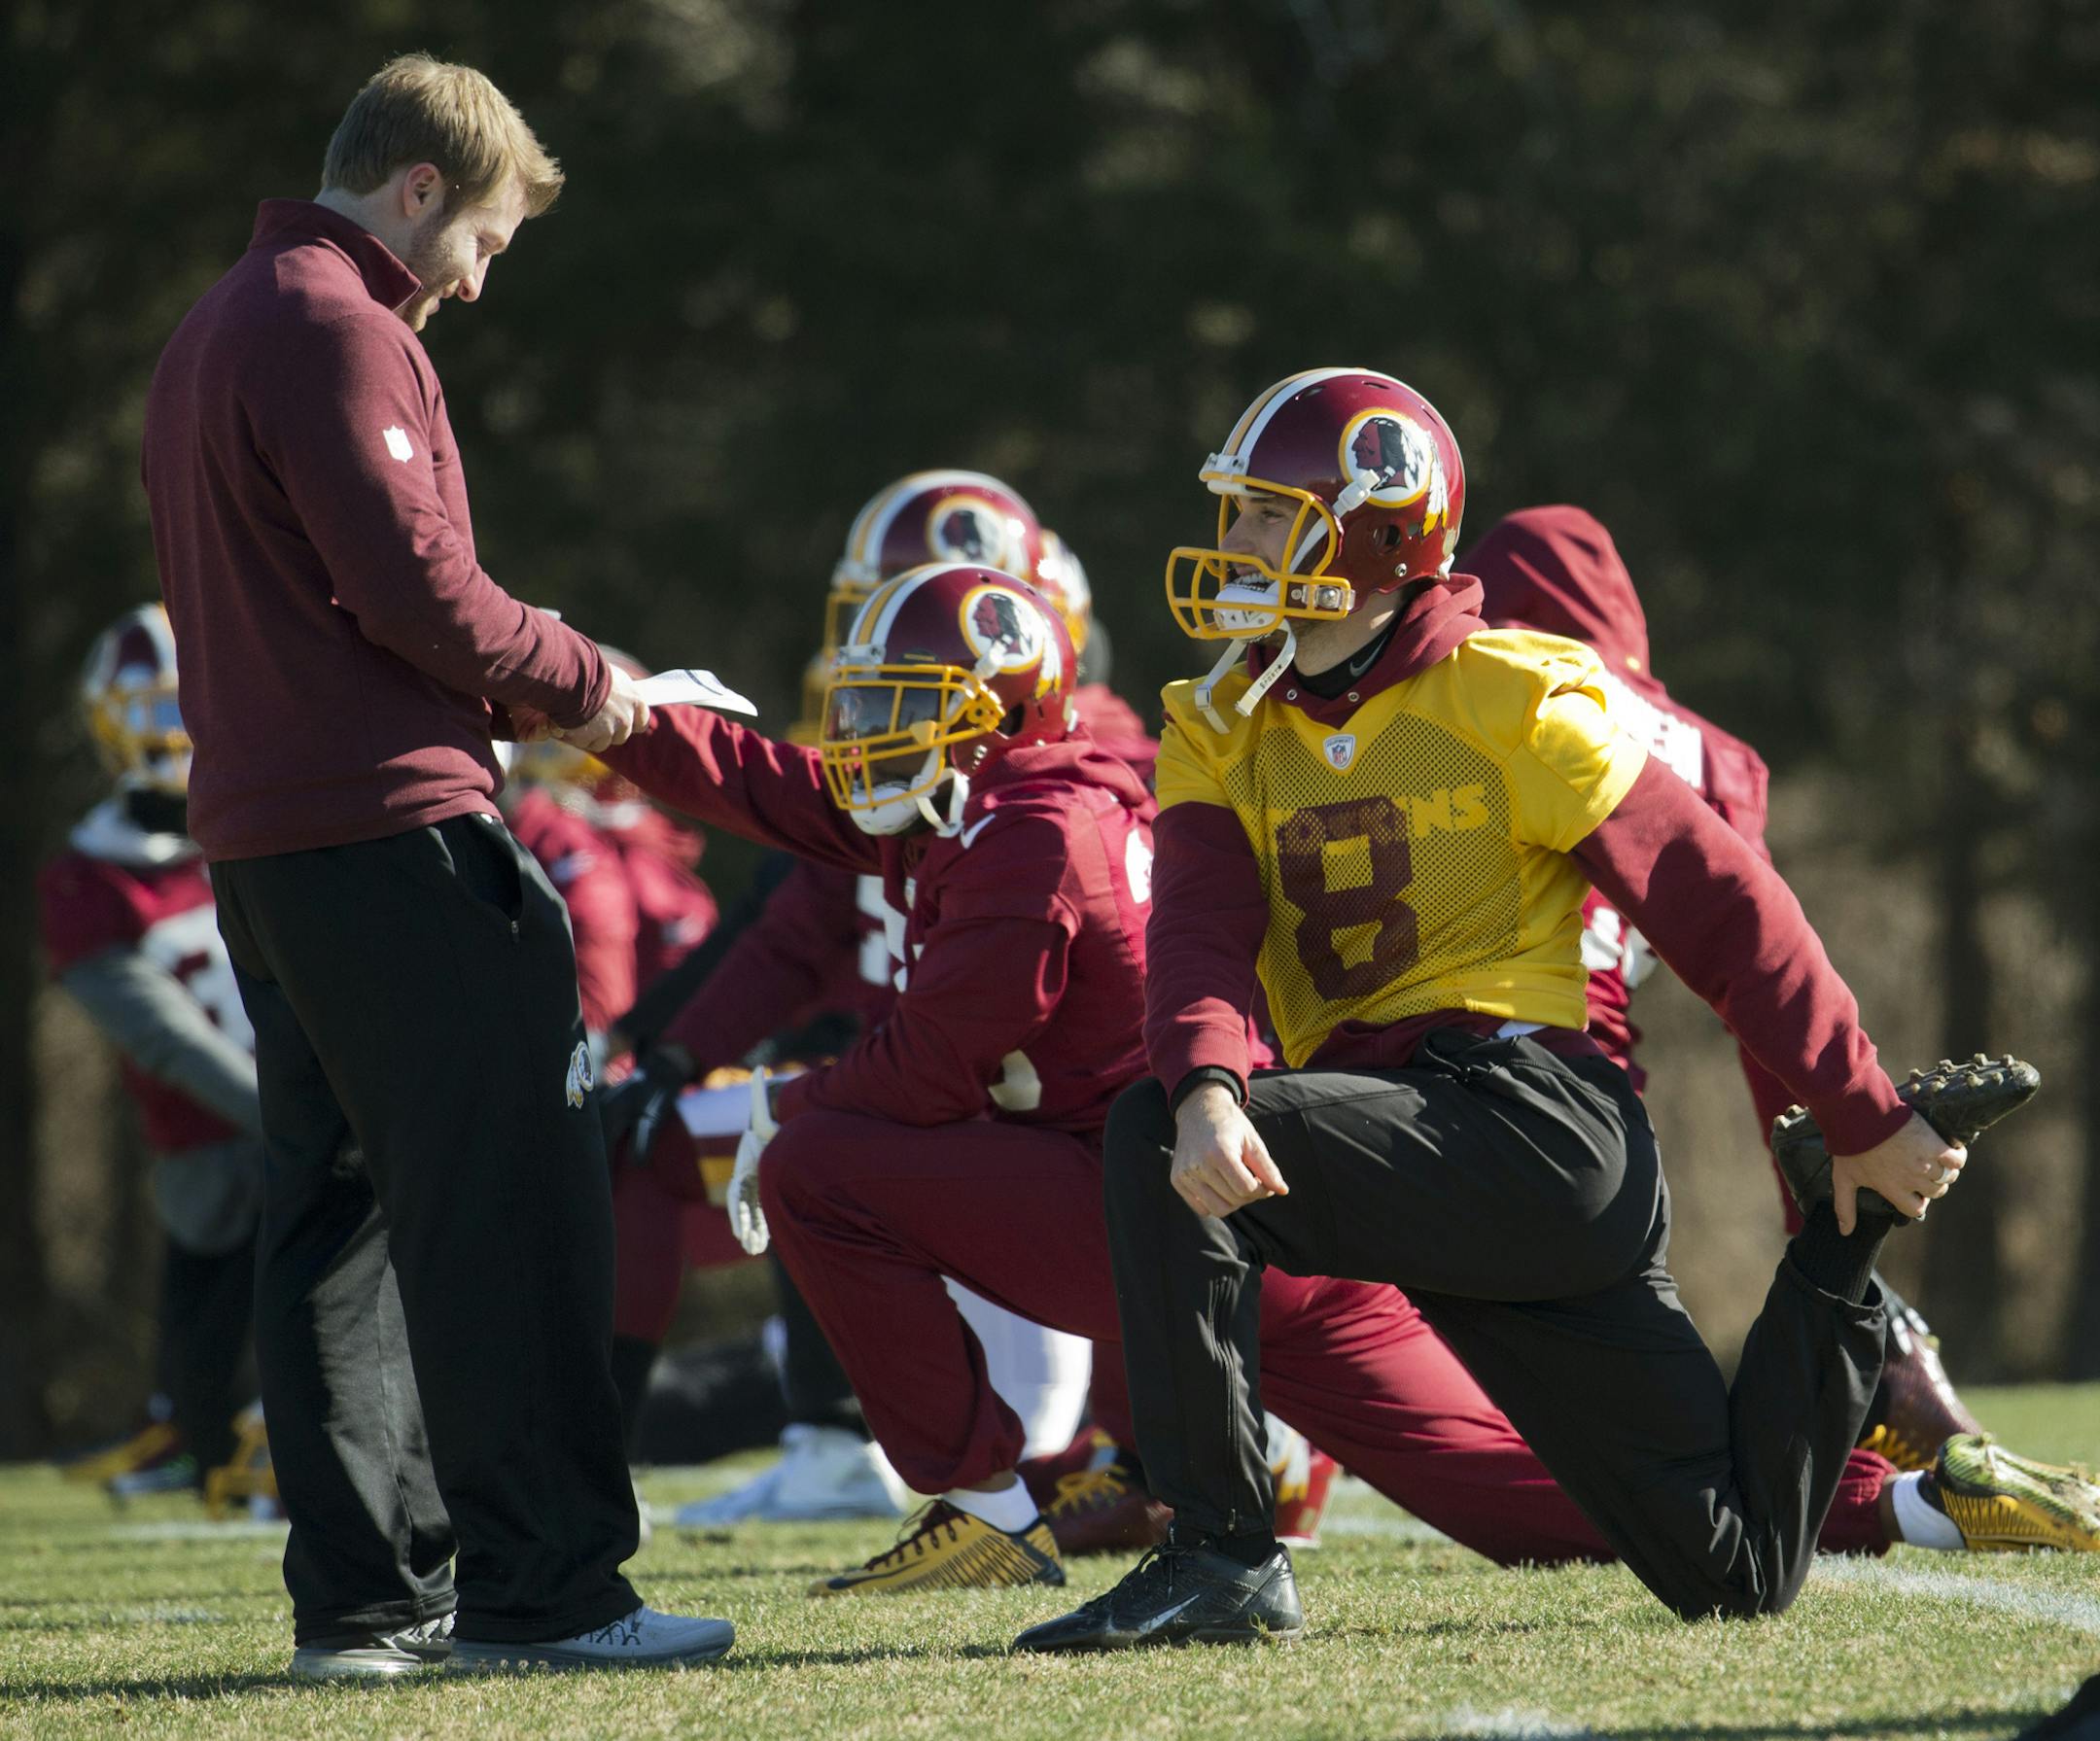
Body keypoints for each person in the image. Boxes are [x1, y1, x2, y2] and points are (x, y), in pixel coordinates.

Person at [1017, 366, 1976, 1654]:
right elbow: (1198, 927)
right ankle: (1837, 1262)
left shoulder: (1515, 692)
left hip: (1533, 1123)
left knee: (1145, 1140)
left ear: (1371, 528)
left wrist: (1862, 1104)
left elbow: (1720, 904)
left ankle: (1222, 1551)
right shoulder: (1224, 723)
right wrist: (1208, 1079)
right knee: (1733, 1569)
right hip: (1441, 1167)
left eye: (1261, 511)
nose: (1234, 541)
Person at [140, 53, 727, 1676]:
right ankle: (550, 1593)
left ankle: (368, 1606)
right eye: (485, 241)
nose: (476, 279)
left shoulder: (212, 327)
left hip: (268, 848)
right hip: (394, 838)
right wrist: (596, 683)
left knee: (331, 1224)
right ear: (419, 191)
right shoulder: (337, 324)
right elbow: (420, 593)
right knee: (514, 1204)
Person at [1465, 505, 1991, 1475]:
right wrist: (1830, 1186)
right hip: (1599, 1116)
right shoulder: (1712, 756)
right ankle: (1886, 1397)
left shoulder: (1476, 688)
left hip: (1453, 1078)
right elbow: (1754, 976)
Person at [40, 605, 262, 1495]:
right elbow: (160, 1033)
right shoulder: (89, 870)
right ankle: (198, 1436)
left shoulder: (252, 822)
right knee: (212, 1287)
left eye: (188, 708)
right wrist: (285, 1106)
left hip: (299, 1103)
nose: (175, 734)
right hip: (211, 1138)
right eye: (154, 711)